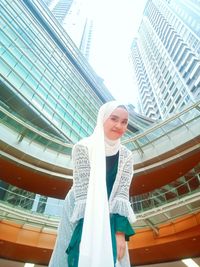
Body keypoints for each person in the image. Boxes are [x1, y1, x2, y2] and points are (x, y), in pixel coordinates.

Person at [48, 100, 136, 267]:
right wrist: (87, 234)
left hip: (113, 211)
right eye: (114, 119)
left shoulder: (126, 155)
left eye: (124, 122)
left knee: (117, 254)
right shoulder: (83, 147)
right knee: (74, 250)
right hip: (80, 207)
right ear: (102, 118)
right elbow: (85, 192)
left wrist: (119, 233)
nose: (119, 125)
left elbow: (122, 195)